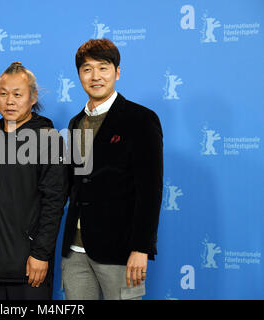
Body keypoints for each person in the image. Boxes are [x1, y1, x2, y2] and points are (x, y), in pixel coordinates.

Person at [61, 39, 163, 300]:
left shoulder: (140, 119)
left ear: (117, 72)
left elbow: (150, 190)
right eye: (87, 69)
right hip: (75, 251)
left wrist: (141, 248)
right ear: (79, 75)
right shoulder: (76, 123)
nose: (95, 76)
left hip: (121, 252)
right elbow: (75, 183)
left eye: (103, 68)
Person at [0, 62, 68, 300]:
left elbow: (54, 203)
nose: (9, 101)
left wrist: (41, 254)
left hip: (29, 268)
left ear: (33, 97)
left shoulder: (49, 140)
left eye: (17, 94)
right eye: (3, 94)